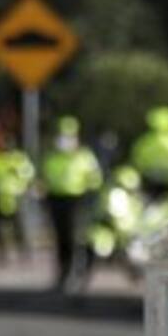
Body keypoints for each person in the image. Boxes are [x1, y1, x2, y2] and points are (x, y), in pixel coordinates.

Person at [41, 116, 102, 292]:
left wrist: (89, 197)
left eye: (69, 136)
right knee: (62, 240)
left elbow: (95, 179)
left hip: (78, 201)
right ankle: (63, 274)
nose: (65, 140)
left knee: (79, 239)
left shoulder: (84, 157)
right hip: (56, 200)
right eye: (62, 135)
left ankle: (80, 274)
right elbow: (44, 178)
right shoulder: (51, 157)